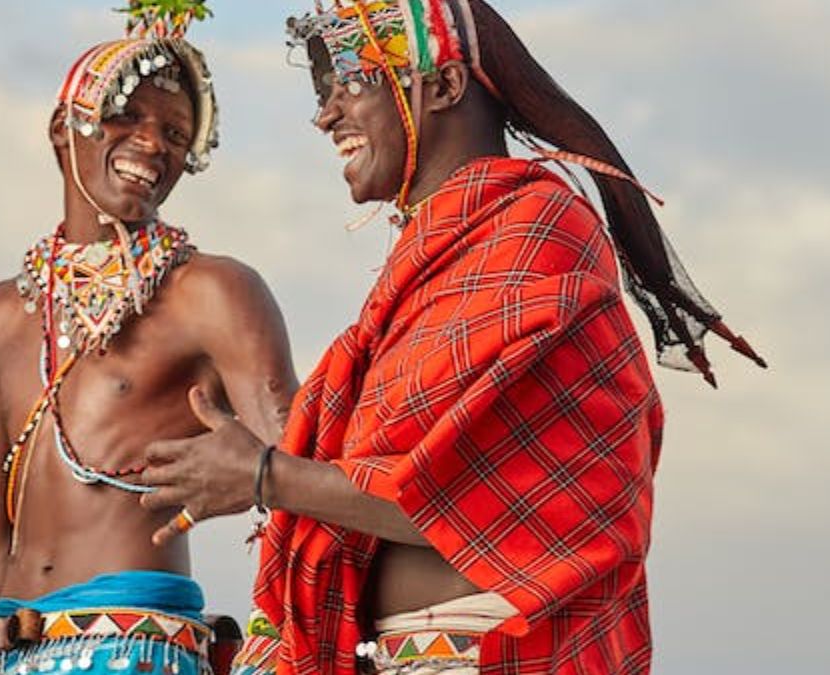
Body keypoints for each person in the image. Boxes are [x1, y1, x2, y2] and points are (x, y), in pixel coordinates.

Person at [138, 1, 765, 673]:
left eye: (352, 83)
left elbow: (476, 497)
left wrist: (268, 476)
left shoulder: (539, 235)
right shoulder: (425, 266)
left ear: (442, 86)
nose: (325, 115)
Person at [0, 2, 297, 673]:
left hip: (135, 648)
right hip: (3, 648)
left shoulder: (212, 292)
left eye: (177, 133)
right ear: (60, 128)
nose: (154, 143)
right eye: (127, 115)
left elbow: (302, 486)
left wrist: (277, 649)